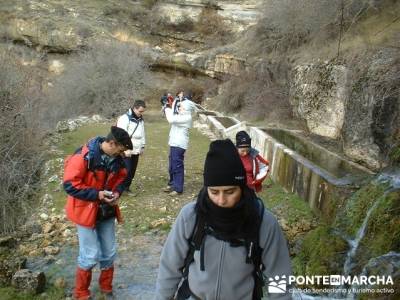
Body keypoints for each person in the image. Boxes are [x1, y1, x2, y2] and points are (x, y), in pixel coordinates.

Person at [155, 139, 292, 300]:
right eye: (214, 192)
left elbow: (279, 276)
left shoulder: (263, 222)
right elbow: (170, 266)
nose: (221, 200)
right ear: (206, 189)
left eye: (229, 191)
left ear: (241, 187)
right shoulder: (191, 216)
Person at [63, 126, 133, 300]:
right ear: (111, 143)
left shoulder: (117, 159)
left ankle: (105, 288)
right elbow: (70, 185)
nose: (121, 153)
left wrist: (116, 193)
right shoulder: (83, 157)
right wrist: (97, 194)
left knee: (109, 252)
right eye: (120, 149)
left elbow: (122, 178)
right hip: (84, 212)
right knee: (89, 255)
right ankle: (81, 293)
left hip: (106, 211)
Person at [163, 90, 196, 196]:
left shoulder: (186, 117)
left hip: (179, 144)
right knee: (172, 165)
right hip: (174, 142)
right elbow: (173, 112)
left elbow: (171, 119)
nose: (179, 108)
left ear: (186, 109)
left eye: (181, 107)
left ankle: (178, 188)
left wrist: (167, 107)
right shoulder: (181, 115)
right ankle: (172, 184)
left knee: (177, 166)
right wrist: (168, 104)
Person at [116, 99, 146, 194]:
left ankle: (126, 188)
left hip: (136, 149)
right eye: (140, 111)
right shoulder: (124, 118)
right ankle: (120, 188)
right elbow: (121, 135)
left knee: (132, 170)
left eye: (143, 112)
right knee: (126, 170)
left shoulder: (141, 119)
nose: (141, 113)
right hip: (126, 149)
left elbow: (142, 133)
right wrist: (125, 149)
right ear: (134, 108)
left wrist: (142, 146)